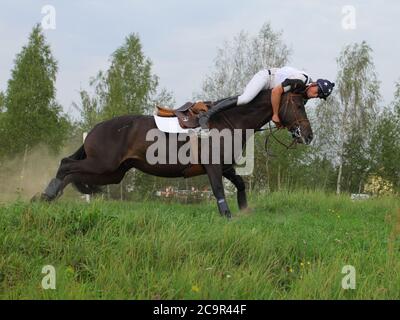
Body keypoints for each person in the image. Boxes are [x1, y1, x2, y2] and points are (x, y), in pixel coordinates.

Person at [198, 66, 335, 129]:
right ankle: (208, 114)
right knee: (246, 99)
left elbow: (286, 111)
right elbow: (276, 92)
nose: (316, 96)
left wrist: (282, 122)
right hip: (266, 79)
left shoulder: (303, 98)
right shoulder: (301, 80)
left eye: (319, 96)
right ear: (315, 84)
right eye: (318, 92)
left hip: (272, 89)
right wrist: (275, 115)